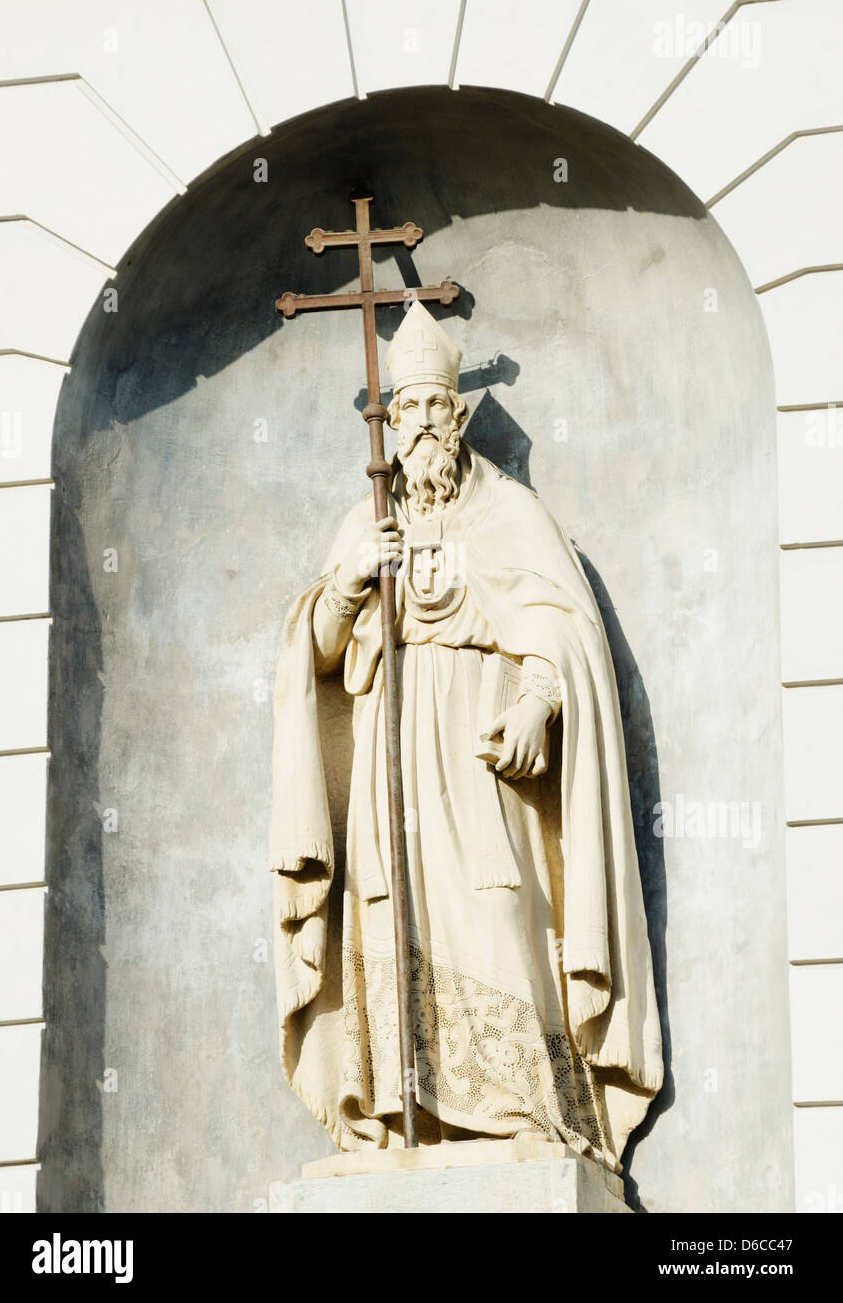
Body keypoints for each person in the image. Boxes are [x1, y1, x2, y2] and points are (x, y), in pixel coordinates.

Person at [270, 301, 662, 1171]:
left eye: (431, 409)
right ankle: (403, 1104)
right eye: (402, 410)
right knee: (390, 909)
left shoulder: (512, 513)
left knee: (495, 906)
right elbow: (319, 658)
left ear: (457, 415)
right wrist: (346, 586)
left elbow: (562, 629)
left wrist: (535, 703)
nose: (417, 428)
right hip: (389, 759)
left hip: (481, 759)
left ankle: (520, 1108)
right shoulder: (368, 522)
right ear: (388, 422)